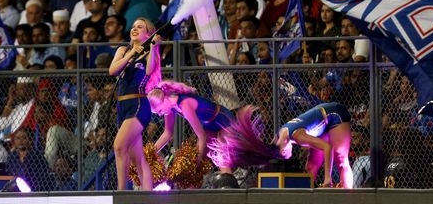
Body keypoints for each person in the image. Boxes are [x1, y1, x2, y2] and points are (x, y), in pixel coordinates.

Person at [208, 102, 353, 188]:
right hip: (321, 124)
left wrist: (328, 179)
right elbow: (268, 150)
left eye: (286, 156)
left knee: (341, 160)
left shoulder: (297, 136)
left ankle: (349, 195)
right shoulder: (279, 137)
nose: (289, 156)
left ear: (283, 152)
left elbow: (328, 148)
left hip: (335, 114)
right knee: (310, 167)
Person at [108, 17, 162, 190]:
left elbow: (149, 70)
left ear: (148, 33)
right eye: (133, 26)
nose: (135, 29)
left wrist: (153, 47)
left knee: (118, 146)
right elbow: (112, 70)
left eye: (140, 27)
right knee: (137, 158)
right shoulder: (123, 50)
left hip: (139, 104)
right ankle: (148, 195)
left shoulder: (149, 52)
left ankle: (121, 192)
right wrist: (131, 53)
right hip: (122, 106)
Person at [148, 80, 235, 172]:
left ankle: (228, 181)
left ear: (164, 99)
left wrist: (196, 162)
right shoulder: (170, 109)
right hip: (209, 125)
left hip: (223, 119)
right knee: (200, 158)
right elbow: (167, 133)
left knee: (220, 155)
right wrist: (150, 154)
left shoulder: (184, 105)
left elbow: (202, 136)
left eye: (159, 111)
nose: (160, 115)